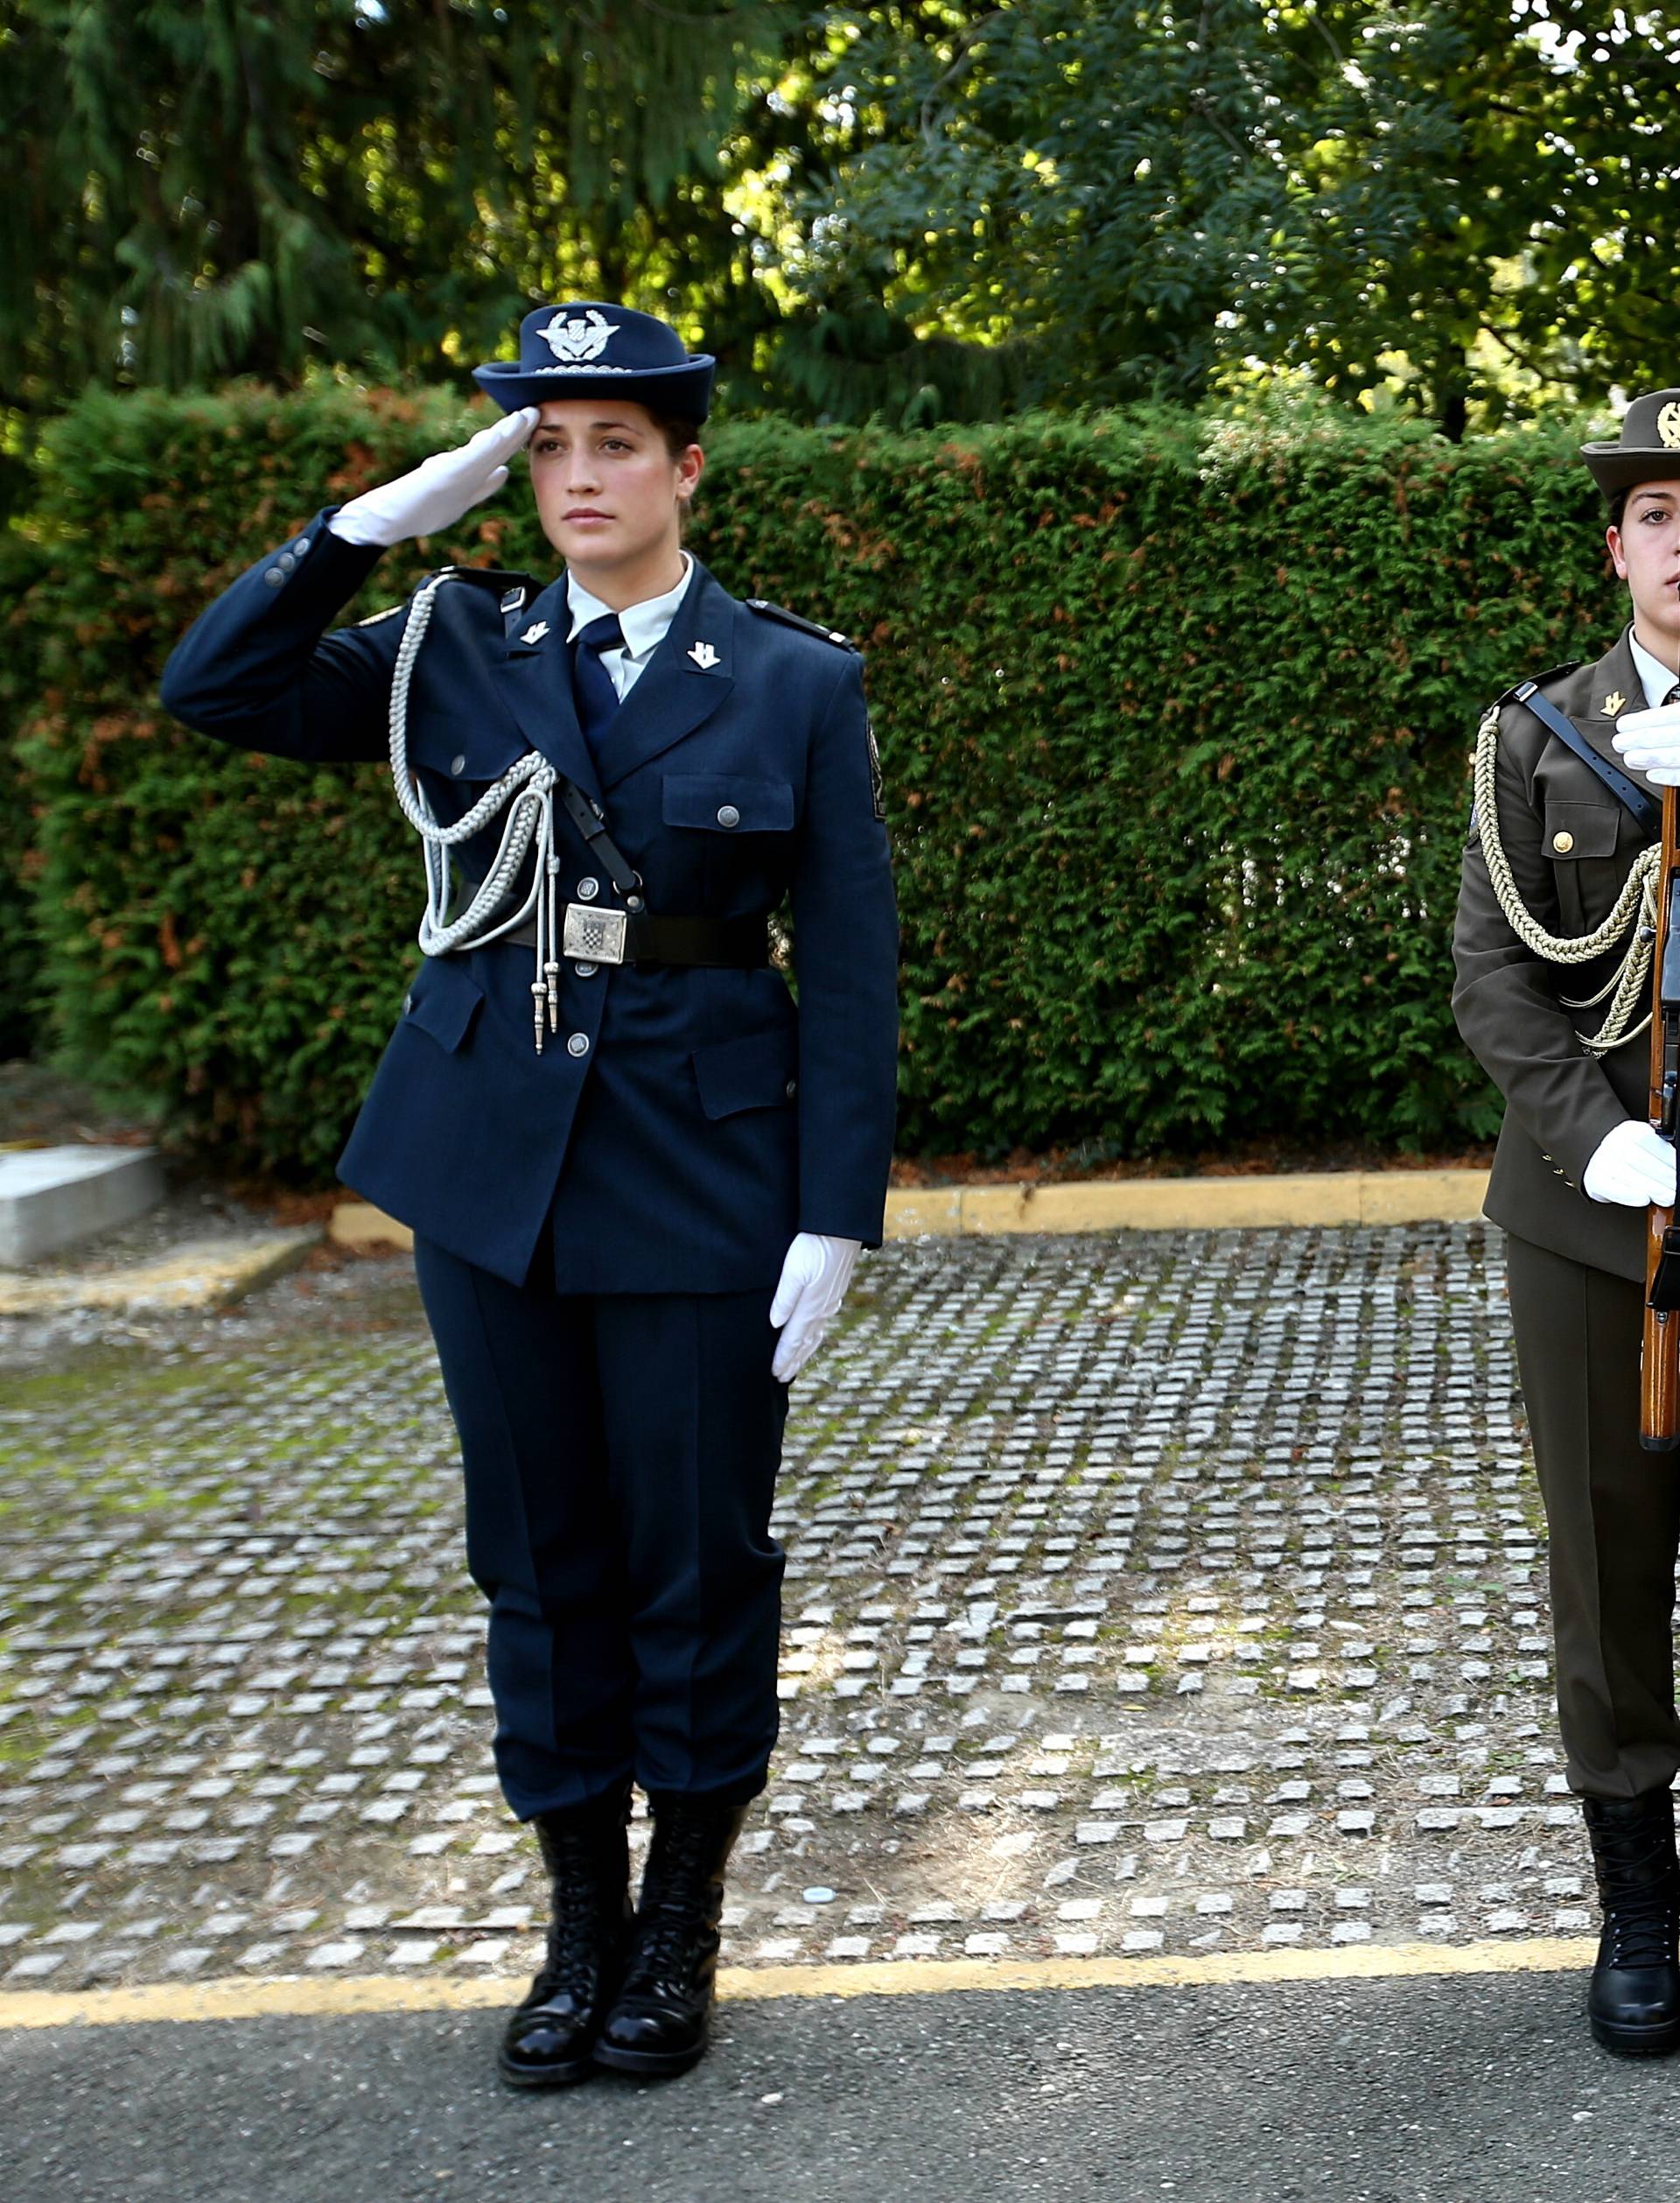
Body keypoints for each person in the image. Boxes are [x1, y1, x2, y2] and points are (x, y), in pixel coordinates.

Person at [159, 301, 900, 2085]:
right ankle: (579, 1917)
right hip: (489, 1171)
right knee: (540, 1557)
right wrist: (353, 536)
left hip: (708, 1173)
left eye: (616, 443)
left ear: (686, 463)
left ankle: (682, 1920)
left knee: (697, 1560)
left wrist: (834, 1210)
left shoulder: (794, 677)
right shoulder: (450, 643)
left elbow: (856, 959)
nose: (580, 476)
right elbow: (214, 689)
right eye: (547, 446)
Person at [1452, 389, 1680, 2056]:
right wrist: (1605, 1149)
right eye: (1660, 513)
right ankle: (1639, 1897)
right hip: (1592, 1221)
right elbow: (1496, 977)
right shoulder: (1541, 738)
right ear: (1617, 547)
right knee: (1606, 1564)